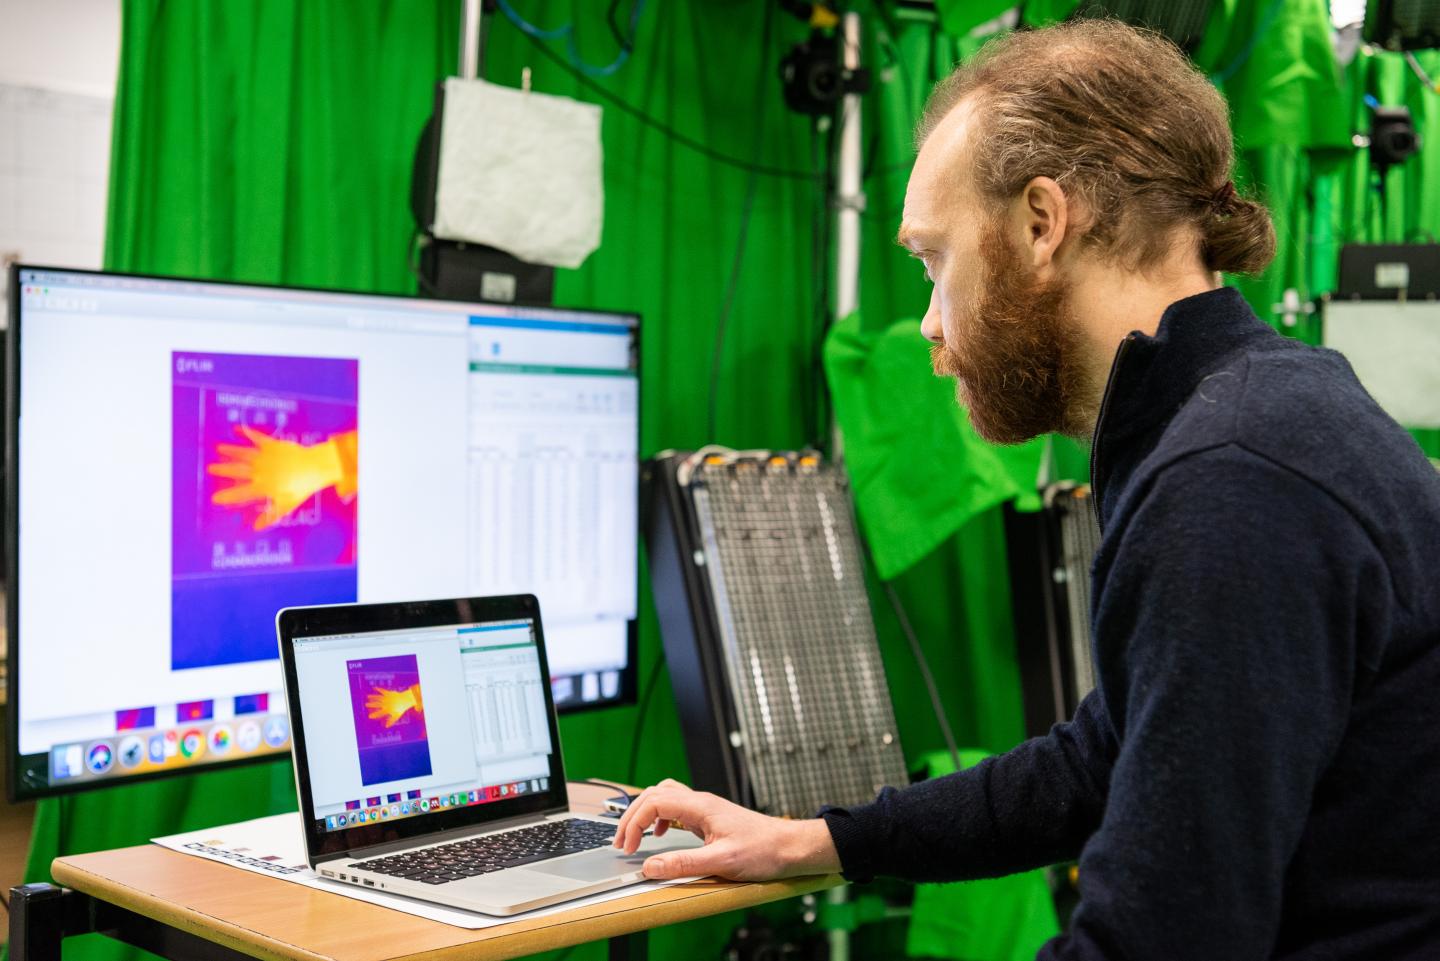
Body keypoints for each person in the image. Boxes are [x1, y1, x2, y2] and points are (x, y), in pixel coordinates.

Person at [614, 19, 1440, 961]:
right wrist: (818, 842)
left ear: (1042, 223)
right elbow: (1112, 750)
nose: (928, 325)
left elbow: (1157, 943)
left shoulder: (1230, 482)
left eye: (934, 262)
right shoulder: (1252, 407)